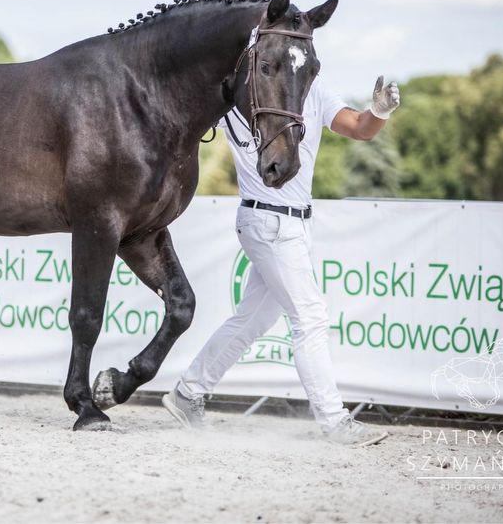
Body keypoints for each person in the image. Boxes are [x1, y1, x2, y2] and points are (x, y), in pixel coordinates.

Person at [162, 75, 400, 446]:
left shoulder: (315, 90)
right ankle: (334, 420)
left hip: (292, 223)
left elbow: (359, 128)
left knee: (252, 320)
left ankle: (188, 392)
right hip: (270, 221)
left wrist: (379, 111)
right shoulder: (237, 91)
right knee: (310, 317)